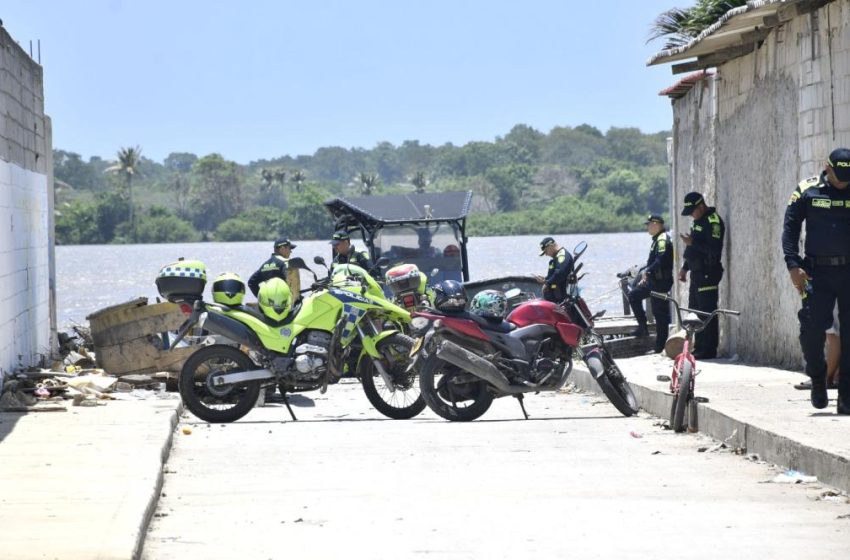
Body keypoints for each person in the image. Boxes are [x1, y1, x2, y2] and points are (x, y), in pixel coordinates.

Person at [782, 147, 850, 414]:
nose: (843, 182)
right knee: (810, 330)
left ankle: (845, 394)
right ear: (827, 167)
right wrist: (792, 264)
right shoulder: (807, 189)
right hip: (816, 273)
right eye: (839, 176)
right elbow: (790, 228)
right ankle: (818, 378)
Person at [678, 192, 725, 359]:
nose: (691, 214)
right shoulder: (698, 221)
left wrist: (693, 243)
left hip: (708, 272)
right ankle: (698, 347)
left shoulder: (713, 222)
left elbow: (714, 250)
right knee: (695, 312)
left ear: (701, 206)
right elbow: (692, 249)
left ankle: (709, 349)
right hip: (697, 273)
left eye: (692, 211)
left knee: (707, 312)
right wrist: (684, 268)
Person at [628, 215, 674, 353]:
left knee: (660, 314)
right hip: (653, 282)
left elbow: (661, 260)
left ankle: (660, 347)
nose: (647, 227)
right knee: (633, 295)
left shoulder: (662, 239)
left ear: (656, 224)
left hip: (661, 282)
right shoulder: (656, 240)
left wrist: (647, 271)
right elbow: (653, 261)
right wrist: (647, 274)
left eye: (649, 224)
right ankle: (643, 328)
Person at [535, 237, 573, 303]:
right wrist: (545, 279)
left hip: (561, 299)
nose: (546, 255)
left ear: (551, 246)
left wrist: (547, 283)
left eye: (546, 251)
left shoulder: (562, 255)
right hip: (556, 298)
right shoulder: (556, 257)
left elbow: (560, 273)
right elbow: (555, 275)